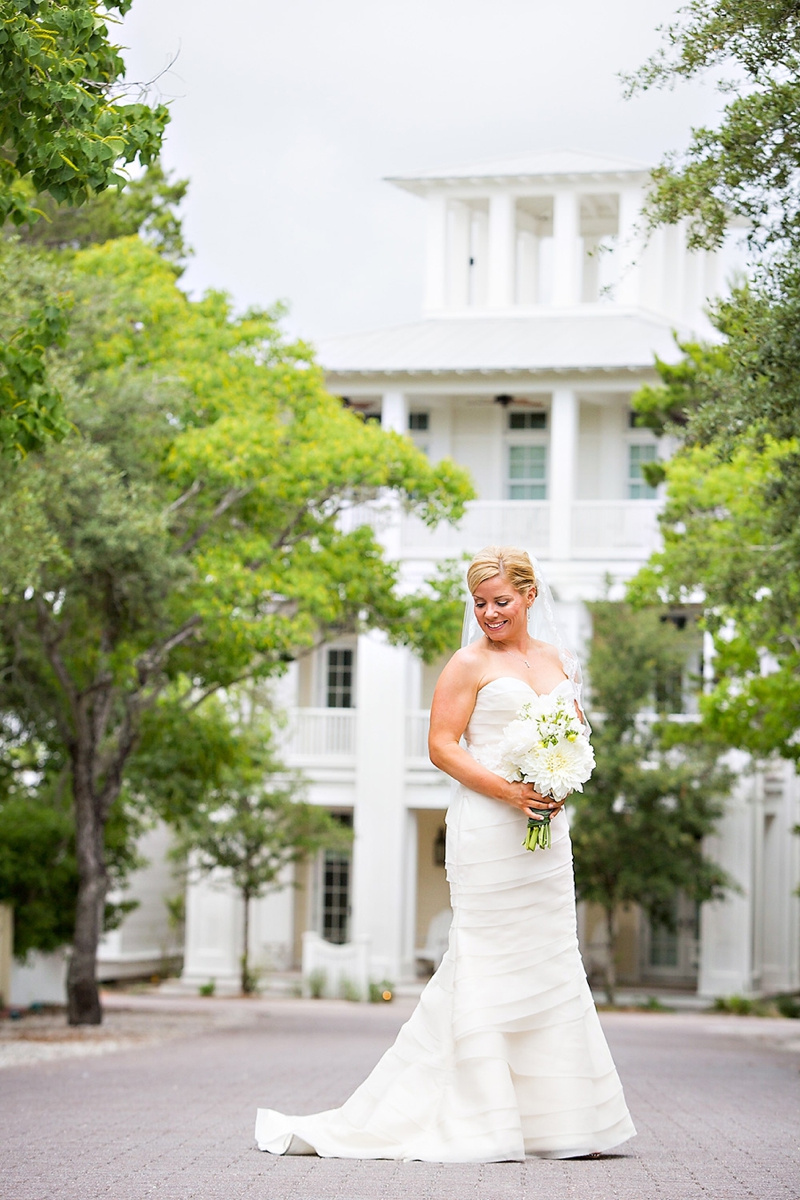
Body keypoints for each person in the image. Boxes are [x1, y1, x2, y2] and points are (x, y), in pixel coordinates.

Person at [255, 546, 636, 1161]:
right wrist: (510, 791)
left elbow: (574, 730)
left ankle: (561, 1124)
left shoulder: (559, 659)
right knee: (486, 960)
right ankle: (481, 1119)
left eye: (501, 602)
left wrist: (558, 774)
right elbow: (441, 746)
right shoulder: (467, 663)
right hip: (489, 825)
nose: (489, 613)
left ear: (529, 596)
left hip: (544, 832)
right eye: (480, 603)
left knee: (550, 958)